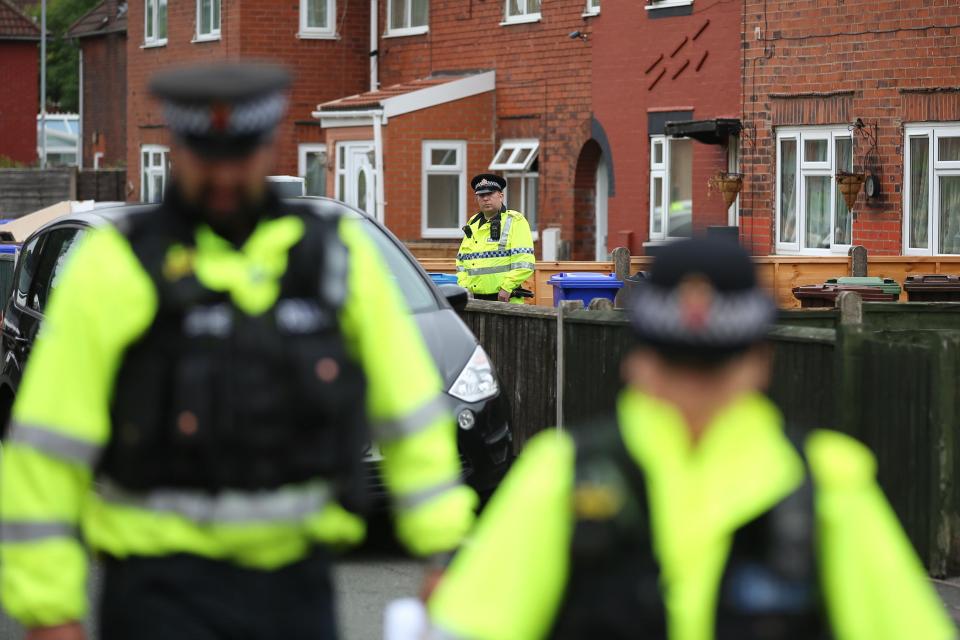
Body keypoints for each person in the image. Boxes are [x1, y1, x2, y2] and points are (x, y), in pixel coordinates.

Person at [0, 62, 476, 640]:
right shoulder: (115, 267)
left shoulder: (334, 260)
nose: (224, 175)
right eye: (207, 157)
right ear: (178, 150)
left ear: (270, 148)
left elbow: (410, 417)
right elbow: (48, 450)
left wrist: (443, 552)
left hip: (294, 592)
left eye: (240, 156)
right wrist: (48, 607)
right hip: (156, 595)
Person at [427, 238, 954, 640]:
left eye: (714, 368)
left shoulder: (831, 487)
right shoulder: (561, 477)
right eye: (678, 365)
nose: (694, 396)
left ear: (759, 365)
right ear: (638, 363)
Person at [455, 174, 535, 303]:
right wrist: (464, 287)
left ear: (501, 196)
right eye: (481, 195)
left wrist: (507, 287)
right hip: (474, 300)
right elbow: (462, 262)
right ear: (477, 198)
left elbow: (524, 262)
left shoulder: (515, 220)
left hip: (505, 299)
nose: (486, 198)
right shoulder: (472, 223)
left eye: (490, 194)